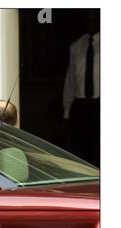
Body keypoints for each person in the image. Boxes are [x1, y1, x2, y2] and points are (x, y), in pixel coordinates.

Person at [63, 10, 100, 167]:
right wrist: (67, 110)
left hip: (100, 103)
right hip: (80, 105)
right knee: (80, 152)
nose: (91, 21)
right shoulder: (77, 45)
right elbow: (70, 79)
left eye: (94, 17)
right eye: (88, 18)